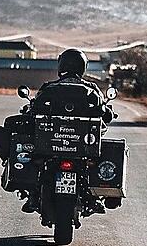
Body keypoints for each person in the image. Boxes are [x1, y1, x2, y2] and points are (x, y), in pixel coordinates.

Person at [21, 49, 114, 213]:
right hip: (83, 147)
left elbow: (34, 108)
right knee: (97, 159)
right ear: (83, 67)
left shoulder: (49, 88)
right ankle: (93, 198)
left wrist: (29, 110)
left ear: (61, 65)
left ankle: (33, 195)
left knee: (35, 157)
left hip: (51, 146)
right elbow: (104, 112)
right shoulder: (91, 89)